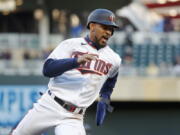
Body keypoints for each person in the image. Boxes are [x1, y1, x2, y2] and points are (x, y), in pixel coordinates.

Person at [12, 8, 121, 135]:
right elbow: (48, 69)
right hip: (50, 105)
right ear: (92, 26)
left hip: (73, 117)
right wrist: (75, 61)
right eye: (104, 27)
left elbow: (110, 82)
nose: (108, 32)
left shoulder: (114, 59)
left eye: (111, 29)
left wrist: (104, 100)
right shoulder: (70, 44)